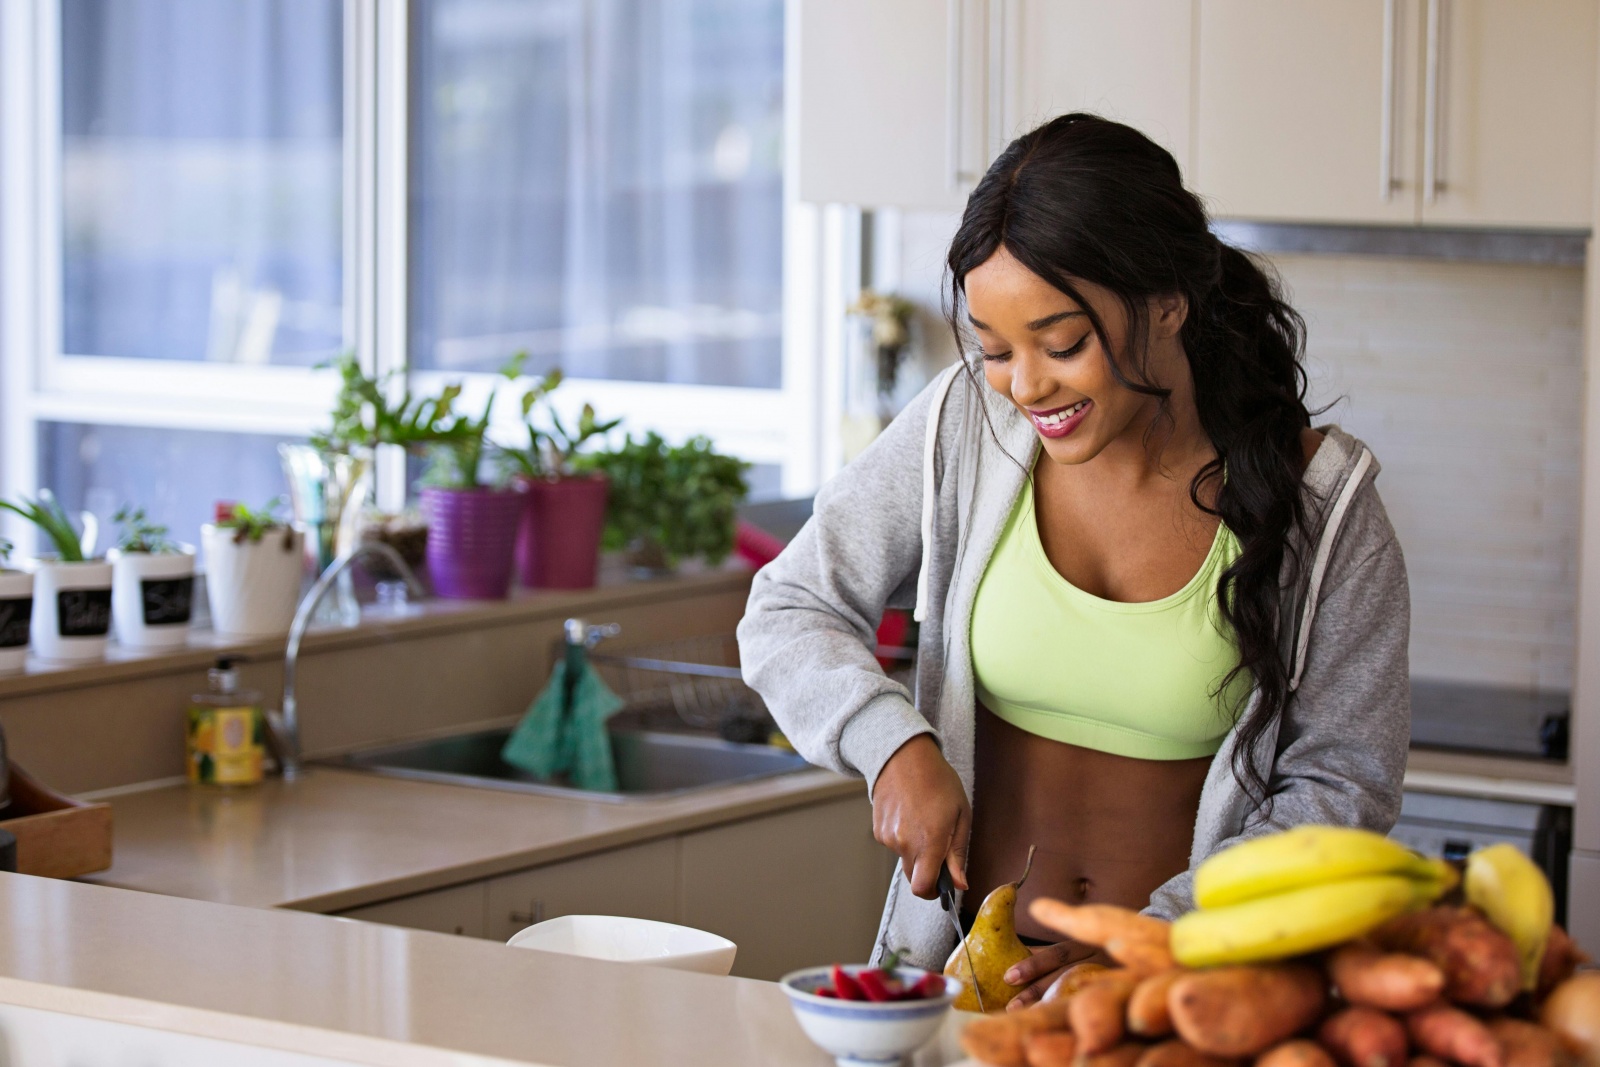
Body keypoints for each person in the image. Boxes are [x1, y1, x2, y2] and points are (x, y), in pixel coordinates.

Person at [737, 114, 1410, 1007]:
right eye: (994, 349)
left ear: (1169, 301)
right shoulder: (965, 425)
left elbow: (1341, 789)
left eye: (1061, 344)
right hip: (963, 993)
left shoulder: (1323, 503)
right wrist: (892, 742)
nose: (1026, 386)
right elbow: (788, 607)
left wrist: (1153, 946)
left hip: (1181, 1004)